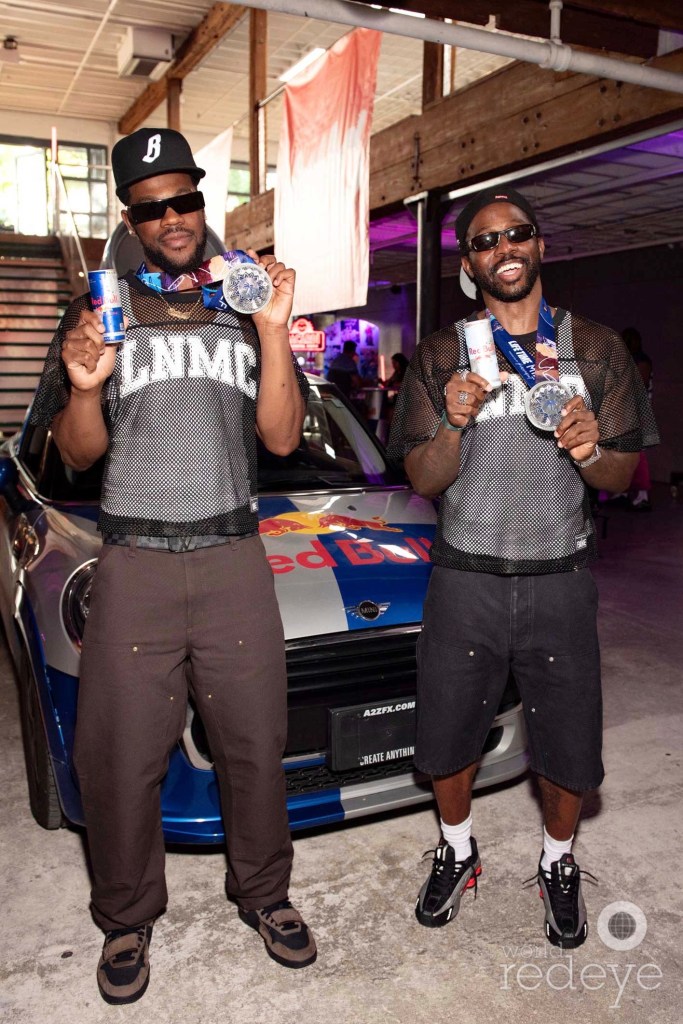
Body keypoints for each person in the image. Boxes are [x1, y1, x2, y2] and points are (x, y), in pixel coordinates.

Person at [29, 127, 316, 1005]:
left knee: (255, 745)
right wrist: (84, 388)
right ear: (132, 220)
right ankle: (125, 917)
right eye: (153, 208)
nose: (174, 218)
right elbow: (76, 457)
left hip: (232, 554)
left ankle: (265, 896)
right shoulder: (100, 311)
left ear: (204, 200)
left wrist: (271, 332)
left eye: (185, 198)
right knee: (117, 757)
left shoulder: (241, 301)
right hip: (136, 564)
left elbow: (280, 437)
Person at [388, 185, 658, 949]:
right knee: (446, 736)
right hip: (464, 576)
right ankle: (456, 847)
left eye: (516, 234)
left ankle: (557, 859)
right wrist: (451, 421)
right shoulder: (442, 354)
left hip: (558, 576)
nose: (502, 249)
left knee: (569, 742)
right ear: (468, 263)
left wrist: (587, 448)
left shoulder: (596, 348)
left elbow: (622, 475)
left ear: (539, 246)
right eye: (483, 241)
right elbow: (423, 479)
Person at [621, 327, 654, 510]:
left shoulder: (641, 361)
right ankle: (624, 492)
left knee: (638, 454)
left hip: (638, 413)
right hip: (627, 413)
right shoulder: (626, 360)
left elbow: (641, 385)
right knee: (625, 452)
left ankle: (642, 495)